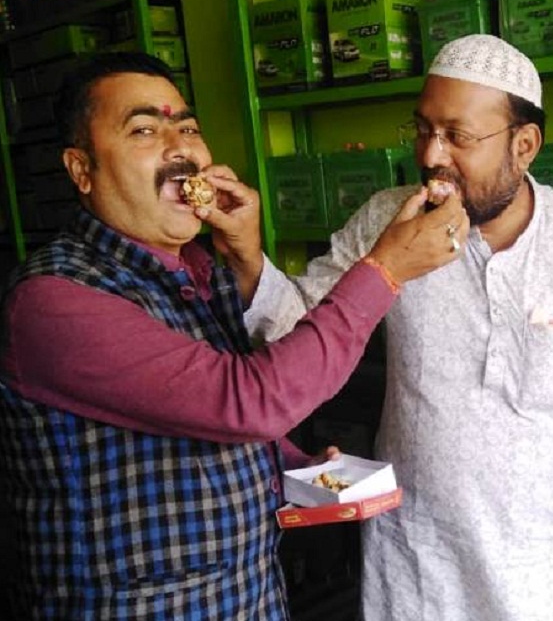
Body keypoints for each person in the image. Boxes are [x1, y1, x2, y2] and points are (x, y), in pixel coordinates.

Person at [0, 52, 467, 618]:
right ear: (81, 169)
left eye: (188, 127)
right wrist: (386, 269)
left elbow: (205, 411)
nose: (180, 148)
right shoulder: (54, 301)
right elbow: (248, 400)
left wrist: (290, 465)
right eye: (145, 129)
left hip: (246, 598)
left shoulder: (200, 271)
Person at [227, 34, 553, 621]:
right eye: (424, 129)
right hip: (417, 561)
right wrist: (248, 258)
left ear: (524, 145)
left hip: (551, 565)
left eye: (458, 136)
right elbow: (301, 332)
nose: (432, 155)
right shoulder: (388, 219)